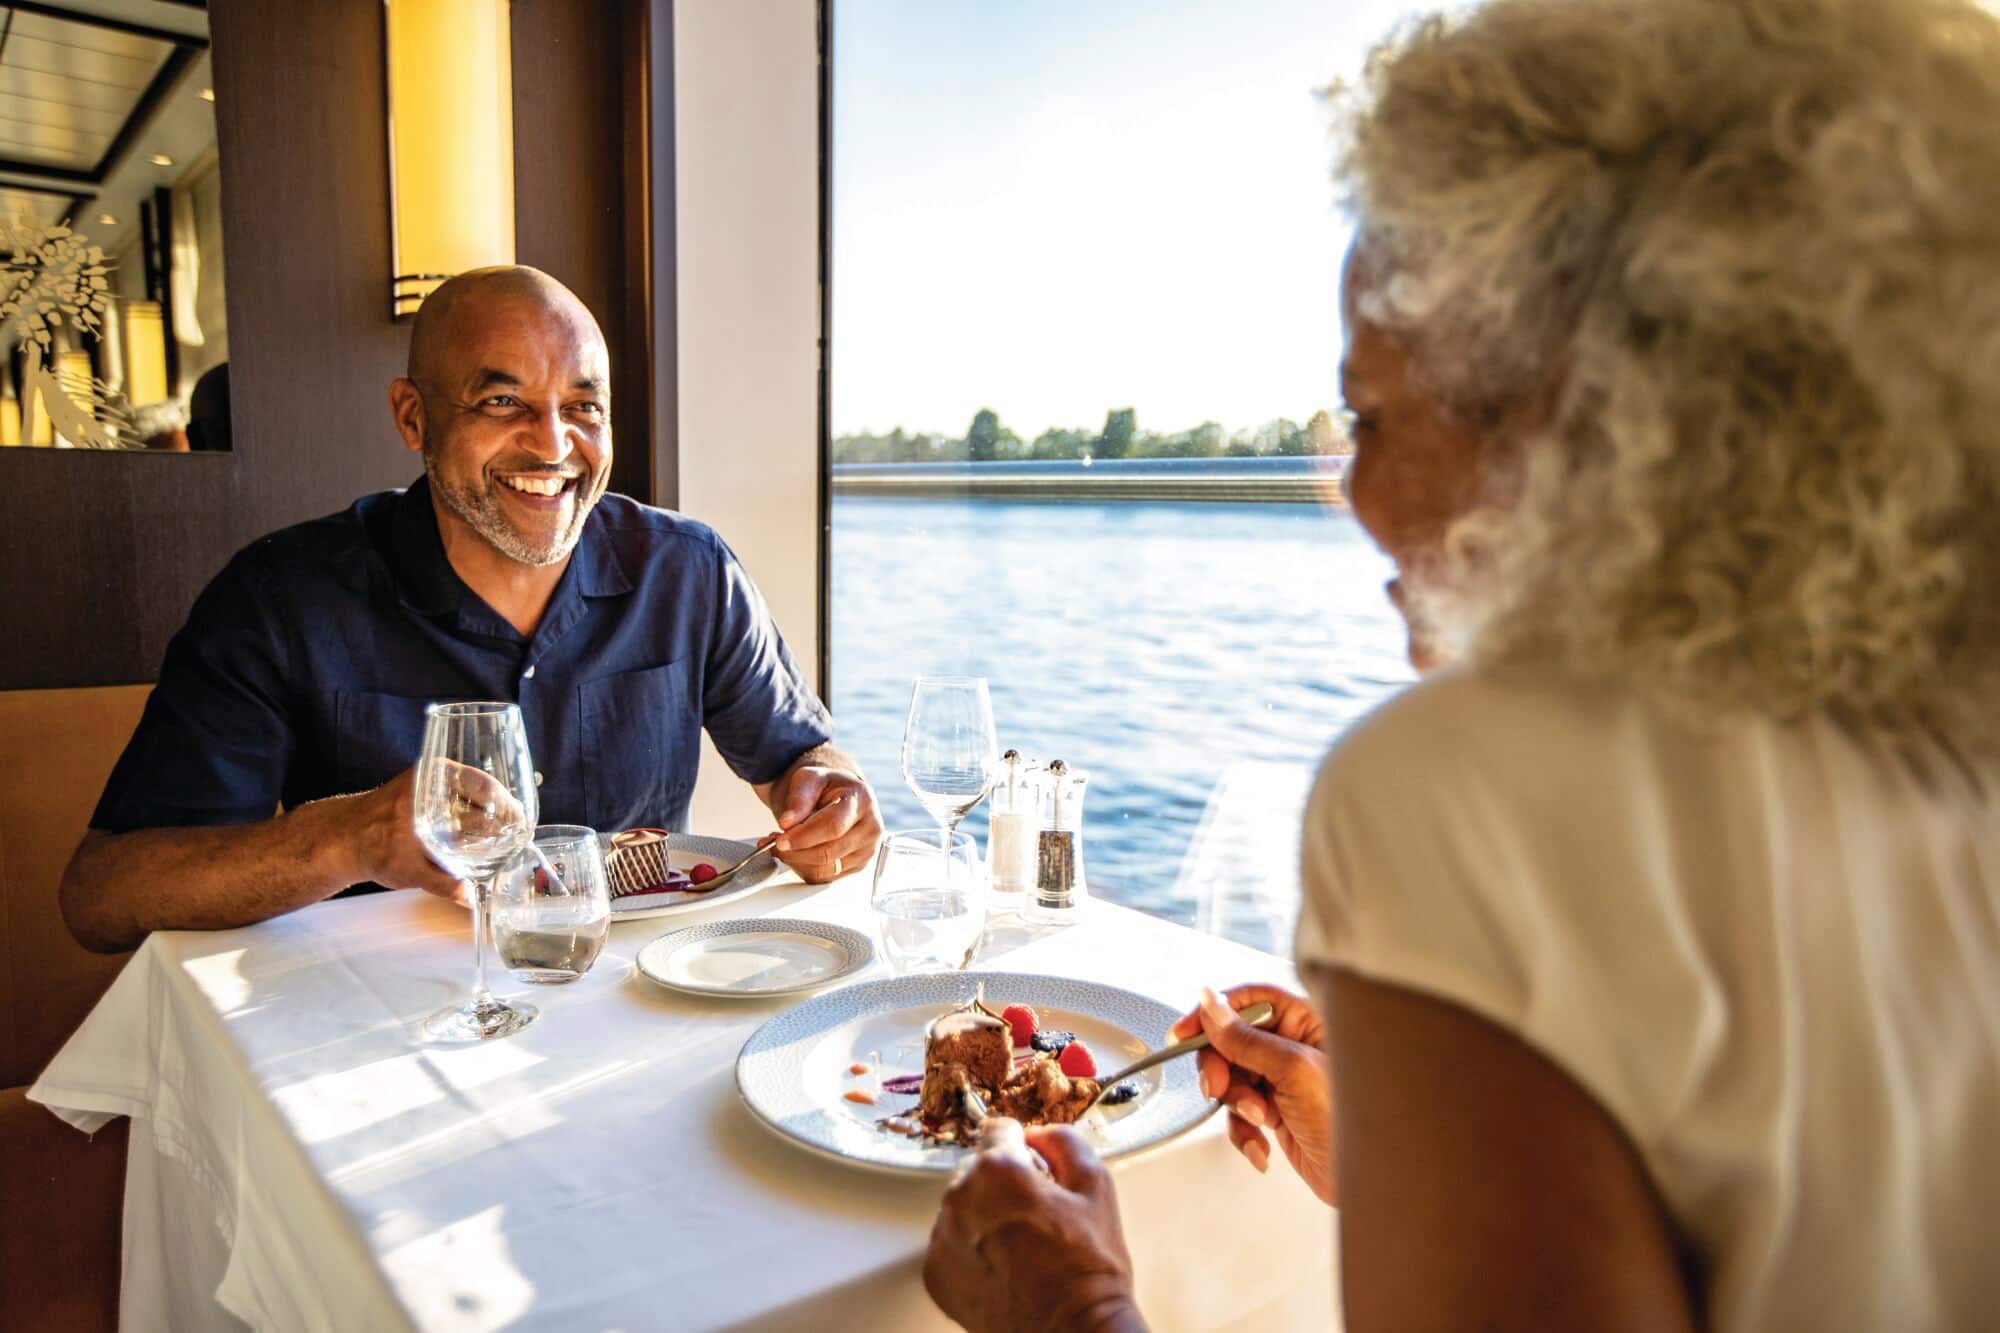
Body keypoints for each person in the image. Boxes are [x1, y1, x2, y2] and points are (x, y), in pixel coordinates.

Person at [926, 0, 2000, 1328]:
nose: (1342, 486)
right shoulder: (1943, 753)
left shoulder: (1454, 798)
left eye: (1369, 414)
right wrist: (1406, 1148)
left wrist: (1073, 1300)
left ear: (1580, 414)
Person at [61, 266, 882, 954]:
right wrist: (351, 834)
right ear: (413, 416)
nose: (554, 444)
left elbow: (802, 762)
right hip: (379, 1037)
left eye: (583, 407)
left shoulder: (688, 570)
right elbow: (101, 895)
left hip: (641, 1013)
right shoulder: (282, 597)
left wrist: (830, 798)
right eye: (503, 403)